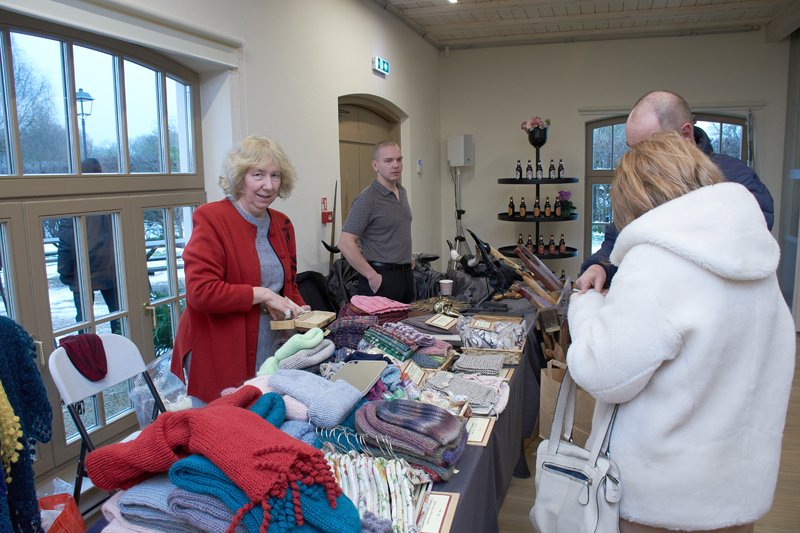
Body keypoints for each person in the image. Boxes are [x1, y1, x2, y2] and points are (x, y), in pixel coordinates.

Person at [566, 131, 795, 533]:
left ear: (635, 197)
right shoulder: (754, 256)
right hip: (737, 492)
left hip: (664, 502)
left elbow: (601, 371)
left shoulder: (658, 260)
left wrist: (585, 306)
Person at [577, 91, 774, 293]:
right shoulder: (642, 181)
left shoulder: (737, 182)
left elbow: (736, 253)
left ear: (686, 134)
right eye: (633, 149)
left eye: (649, 148)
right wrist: (600, 266)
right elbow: (619, 236)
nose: (638, 160)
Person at [170, 136, 309, 405]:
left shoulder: (282, 224)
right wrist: (263, 294)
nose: (268, 185)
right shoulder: (211, 218)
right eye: (258, 174)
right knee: (222, 426)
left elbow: (288, 285)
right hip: (220, 355)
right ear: (239, 177)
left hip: (269, 351)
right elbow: (201, 293)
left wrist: (301, 312)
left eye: (275, 175)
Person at [339, 141, 415, 303]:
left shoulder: (402, 191)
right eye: (388, 161)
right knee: (380, 322)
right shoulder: (367, 199)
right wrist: (372, 276)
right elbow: (345, 243)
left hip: (405, 276)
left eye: (399, 159)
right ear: (375, 165)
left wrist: (405, 256)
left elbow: (394, 230)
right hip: (380, 278)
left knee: (406, 320)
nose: (395, 165)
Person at [56, 158, 120, 334]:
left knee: (84, 321)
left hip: (84, 271)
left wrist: (65, 271)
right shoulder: (111, 198)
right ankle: (123, 345)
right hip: (110, 270)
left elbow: (66, 242)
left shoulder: (73, 201)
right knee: (119, 316)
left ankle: (87, 350)